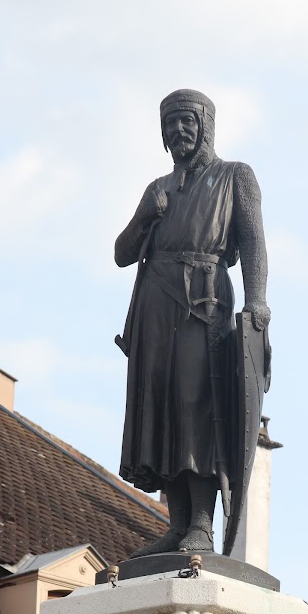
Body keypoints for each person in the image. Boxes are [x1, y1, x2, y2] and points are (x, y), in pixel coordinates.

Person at [115, 89, 270, 556]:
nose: (177, 131)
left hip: (205, 301)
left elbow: (254, 242)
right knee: (159, 410)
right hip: (154, 307)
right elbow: (122, 254)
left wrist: (257, 301)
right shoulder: (156, 189)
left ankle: (202, 521)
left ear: (205, 124)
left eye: (185, 121)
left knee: (195, 405)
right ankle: (177, 523)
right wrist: (146, 215)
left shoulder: (234, 176)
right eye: (169, 125)